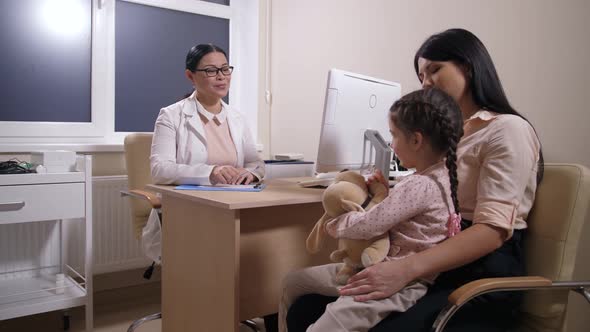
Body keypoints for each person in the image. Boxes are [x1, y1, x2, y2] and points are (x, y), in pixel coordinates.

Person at [284, 28, 543, 332]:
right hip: (434, 255)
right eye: (421, 75)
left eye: (435, 69)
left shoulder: (506, 129)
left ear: (469, 68)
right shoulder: (447, 134)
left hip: (479, 270)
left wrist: (405, 269)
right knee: (306, 306)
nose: (427, 82)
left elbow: (493, 232)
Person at [279, 88, 464, 332]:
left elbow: (367, 227)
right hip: (373, 266)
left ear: (416, 140)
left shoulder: (419, 185)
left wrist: (336, 223)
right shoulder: (441, 177)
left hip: (397, 283)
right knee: (294, 282)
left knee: (324, 324)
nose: (391, 143)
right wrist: (382, 195)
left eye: (394, 135)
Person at [150, 43, 264, 186]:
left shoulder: (238, 118)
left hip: (234, 198)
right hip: (190, 203)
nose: (221, 76)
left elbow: (254, 162)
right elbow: (159, 170)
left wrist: (252, 173)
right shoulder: (170, 115)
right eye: (211, 70)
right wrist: (211, 172)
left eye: (225, 69)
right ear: (190, 76)